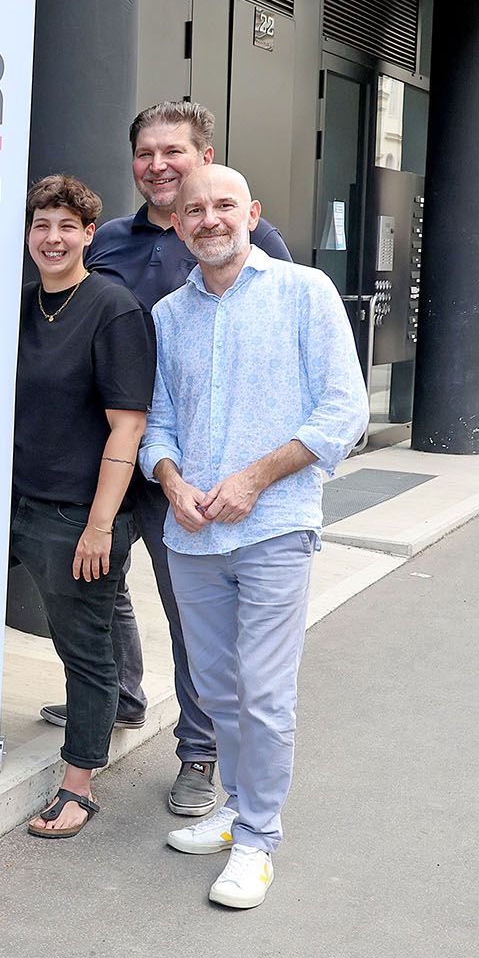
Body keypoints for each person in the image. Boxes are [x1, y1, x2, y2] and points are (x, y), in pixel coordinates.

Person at [46, 100, 296, 821]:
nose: (158, 165)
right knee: (100, 579)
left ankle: (198, 750)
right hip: (109, 453)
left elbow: (268, 341)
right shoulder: (110, 241)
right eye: (146, 152)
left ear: (205, 155)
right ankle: (123, 692)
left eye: (174, 152)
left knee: (192, 618)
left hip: (191, 471)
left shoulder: (245, 235)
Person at [142, 165, 366, 908]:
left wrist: (254, 478)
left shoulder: (304, 294)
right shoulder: (169, 315)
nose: (209, 219)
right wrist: (172, 481)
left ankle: (260, 839)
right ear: (176, 224)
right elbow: (159, 423)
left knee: (265, 693)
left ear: (252, 213)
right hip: (192, 535)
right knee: (216, 690)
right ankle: (238, 810)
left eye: (223, 206)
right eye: (194, 209)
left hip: (273, 527)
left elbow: (343, 412)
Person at [12, 176, 157, 838]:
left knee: (85, 650)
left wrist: (102, 525)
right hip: (15, 502)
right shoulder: (21, 307)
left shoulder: (112, 308)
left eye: (67, 226)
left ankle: (78, 784)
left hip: (78, 512)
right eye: (43, 224)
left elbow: (127, 427)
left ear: (89, 235)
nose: (53, 237)